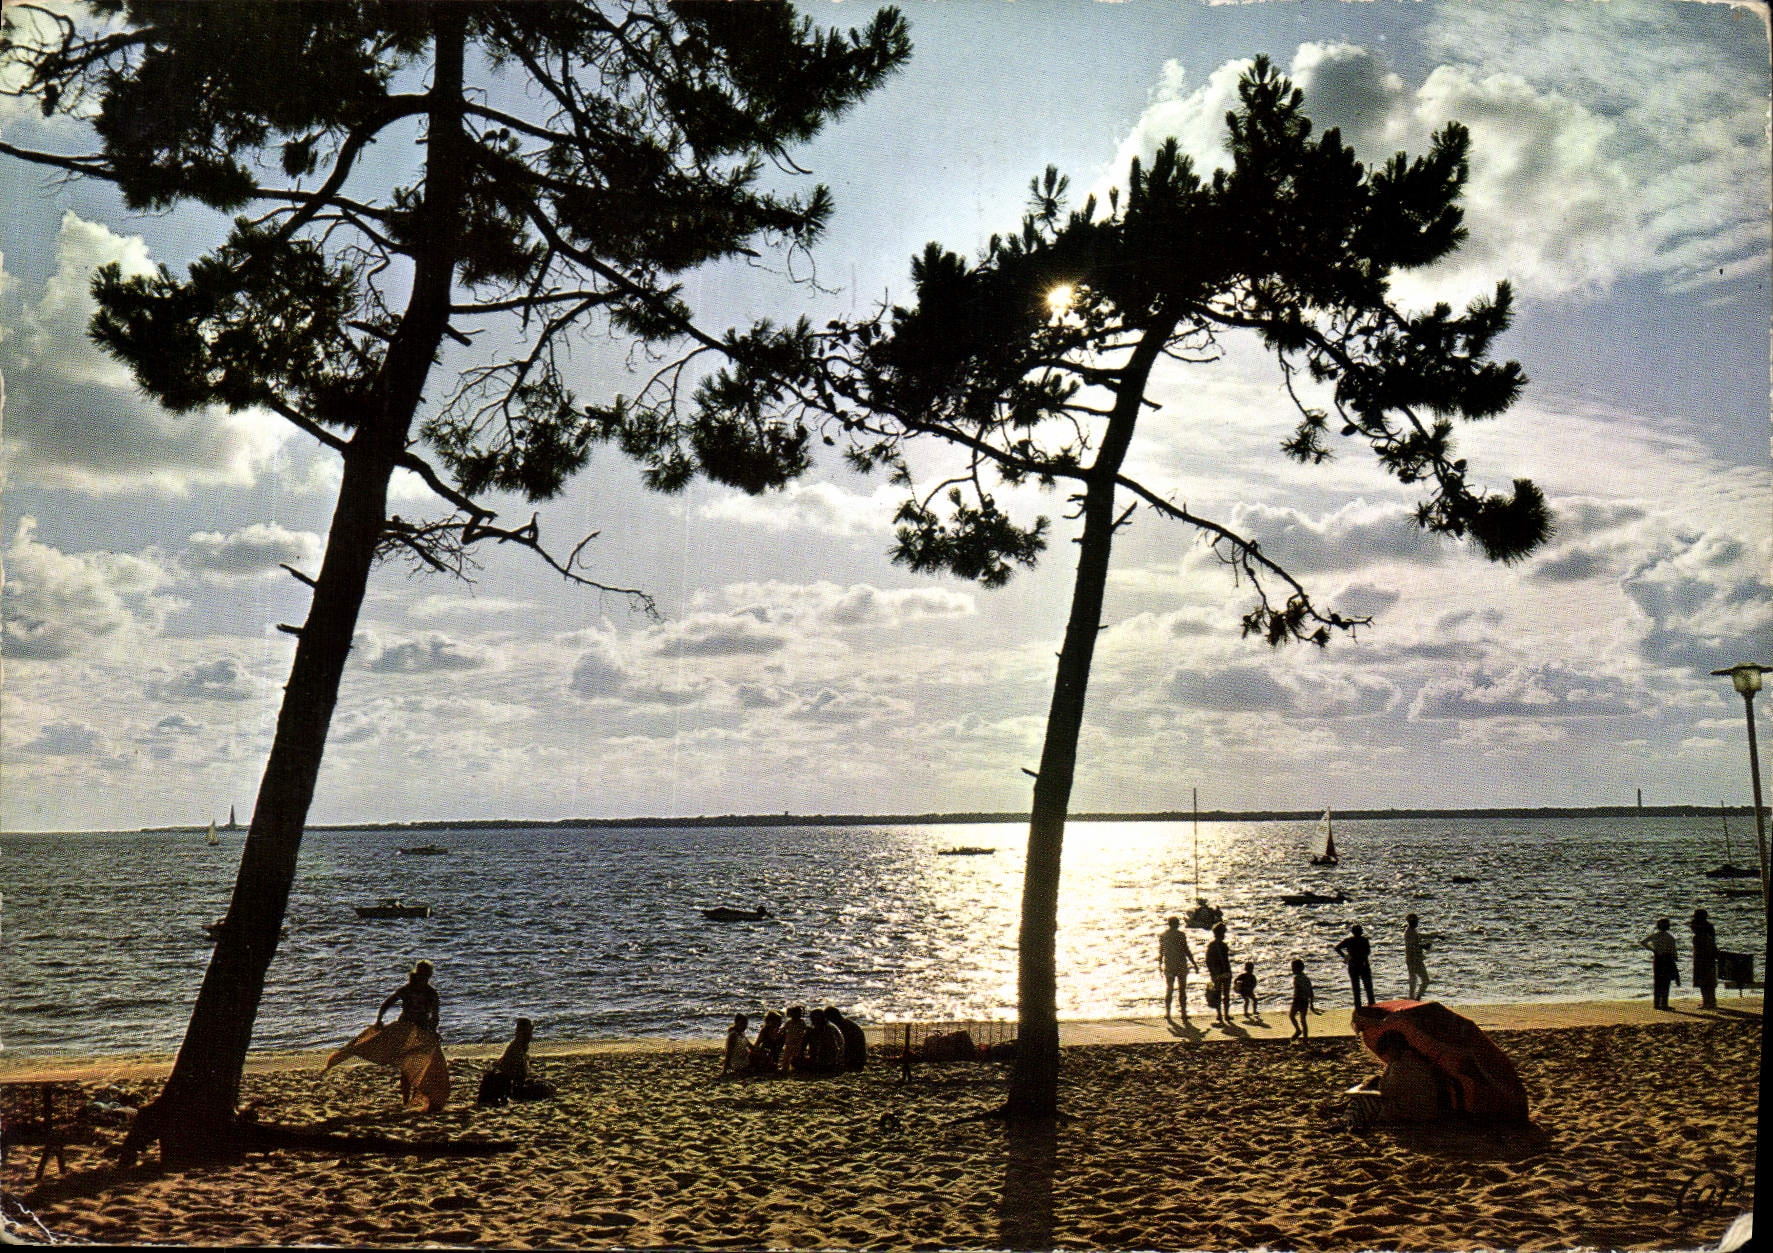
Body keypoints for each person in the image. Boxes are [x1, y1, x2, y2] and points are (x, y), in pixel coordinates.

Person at [378, 959, 440, 1033]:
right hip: (405, 1024)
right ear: (416, 974)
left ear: (429, 976)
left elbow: (435, 1016)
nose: (423, 978)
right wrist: (379, 1020)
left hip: (422, 1026)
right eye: (421, 974)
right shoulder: (406, 990)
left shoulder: (432, 994)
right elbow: (387, 1003)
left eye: (425, 975)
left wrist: (433, 1030)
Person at [1158, 916, 1200, 1021]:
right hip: (1181, 965)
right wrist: (1194, 964)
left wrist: (1159, 965)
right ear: (1176, 924)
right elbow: (1186, 950)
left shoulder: (1163, 935)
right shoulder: (1181, 935)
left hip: (1169, 965)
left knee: (1169, 989)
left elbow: (1161, 952)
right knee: (1182, 990)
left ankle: (1167, 1013)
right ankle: (1183, 1014)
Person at [1639, 916, 1680, 1010]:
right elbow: (1673, 951)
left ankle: (1656, 1004)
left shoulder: (1655, 936)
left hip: (1658, 958)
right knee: (1666, 982)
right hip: (1667, 959)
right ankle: (1664, 1004)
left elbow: (1643, 942)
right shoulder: (1670, 937)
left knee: (1657, 981)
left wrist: (1653, 950)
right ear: (1668, 927)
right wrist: (1675, 958)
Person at [1333, 923, 1375, 1009]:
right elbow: (1367, 953)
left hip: (1353, 965)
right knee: (1368, 989)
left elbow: (1337, 948)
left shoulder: (1349, 940)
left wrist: (1345, 956)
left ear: (1352, 932)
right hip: (1363, 965)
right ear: (1361, 932)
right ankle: (1372, 1007)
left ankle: (1358, 1009)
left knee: (1356, 990)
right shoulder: (1364, 940)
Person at [798, 1008, 844, 1074]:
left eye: (817, 1019)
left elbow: (834, 1049)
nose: (815, 1021)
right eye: (813, 1019)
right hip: (822, 1060)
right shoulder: (814, 1029)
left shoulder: (829, 1029)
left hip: (830, 1062)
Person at [1205, 922, 1234, 1026]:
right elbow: (1225, 961)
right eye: (1223, 932)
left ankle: (1220, 1015)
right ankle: (1225, 1015)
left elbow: (1208, 961)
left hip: (1217, 973)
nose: (1224, 934)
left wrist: (1212, 972)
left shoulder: (1212, 945)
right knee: (1225, 995)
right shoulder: (1222, 945)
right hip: (1225, 972)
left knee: (1218, 994)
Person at [1689, 909, 1718, 1010]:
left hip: (1702, 959)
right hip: (1708, 959)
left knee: (1704, 981)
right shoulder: (1708, 929)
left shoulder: (1700, 934)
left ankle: (1707, 1002)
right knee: (1709, 981)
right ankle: (1711, 1001)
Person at [826, 1006, 868, 1071]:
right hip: (860, 1057)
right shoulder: (846, 1023)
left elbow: (847, 1046)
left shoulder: (844, 1027)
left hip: (855, 1059)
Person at [1403, 913, 1432, 1000]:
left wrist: (1436, 936)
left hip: (1413, 959)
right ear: (1413, 922)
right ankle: (1417, 999)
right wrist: (1424, 946)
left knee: (1413, 980)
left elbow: (1420, 938)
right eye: (1416, 921)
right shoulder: (1409, 933)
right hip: (1414, 960)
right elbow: (1412, 946)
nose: (1417, 922)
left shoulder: (1412, 932)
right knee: (1424, 980)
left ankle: (1414, 999)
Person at [1288, 958, 1315, 1043]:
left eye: (1293, 968)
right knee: (1303, 1020)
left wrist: (1298, 1000)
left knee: (1292, 1016)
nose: (1292, 969)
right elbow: (1311, 991)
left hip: (1298, 1000)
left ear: (1299, 968)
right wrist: (1311, 1003)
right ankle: (1305, 1038)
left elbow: (1299, 990)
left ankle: (1298, 1030)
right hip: (1305, 1001)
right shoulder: (1306, 978)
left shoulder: (1296, 978)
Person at [779, 1005, 808, 1070]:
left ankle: (796, 1067)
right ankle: (785, 1067)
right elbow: (783, 1029)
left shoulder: (802, 1022)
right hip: (789, 1043)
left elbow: (806, 1030)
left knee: (798, 1055)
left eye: (799, 1014)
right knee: (787, 1056)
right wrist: (780, 1034)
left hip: (798, 1042)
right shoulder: (789, 1022)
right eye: (795, 1014)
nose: (797, 1015)